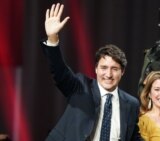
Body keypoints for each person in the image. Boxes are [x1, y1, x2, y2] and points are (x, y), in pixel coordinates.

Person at [40, 3, 143, 141]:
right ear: (95, 69)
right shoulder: (81, 87)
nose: (108, 74)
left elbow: (133, 137)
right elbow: (59, 71)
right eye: (104, 68)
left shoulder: (131, 104)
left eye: (115, 69)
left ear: (123, 71)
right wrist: (52, 39)